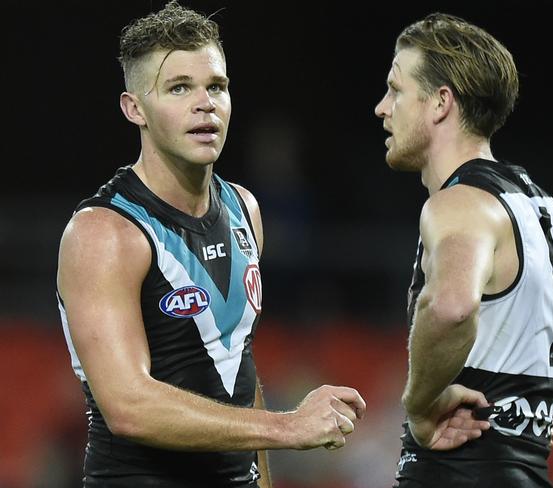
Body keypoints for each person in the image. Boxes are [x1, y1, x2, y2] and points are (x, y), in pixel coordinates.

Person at [55, 2, 368, 487]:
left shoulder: (246, 209)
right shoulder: (104, 232)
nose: (206, 104)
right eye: (179, 88)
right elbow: (128, 405)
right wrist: (289, 427)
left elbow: (238, 366)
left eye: (216, 87)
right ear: (134, 108)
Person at [374, 12, 553, 487]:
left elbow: (450, 306)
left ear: (440, 103)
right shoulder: (543, 213)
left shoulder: (458, 206)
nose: (382, 107)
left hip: (456, 473)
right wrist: (529, 397)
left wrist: (419, 406)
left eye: (396, 89)